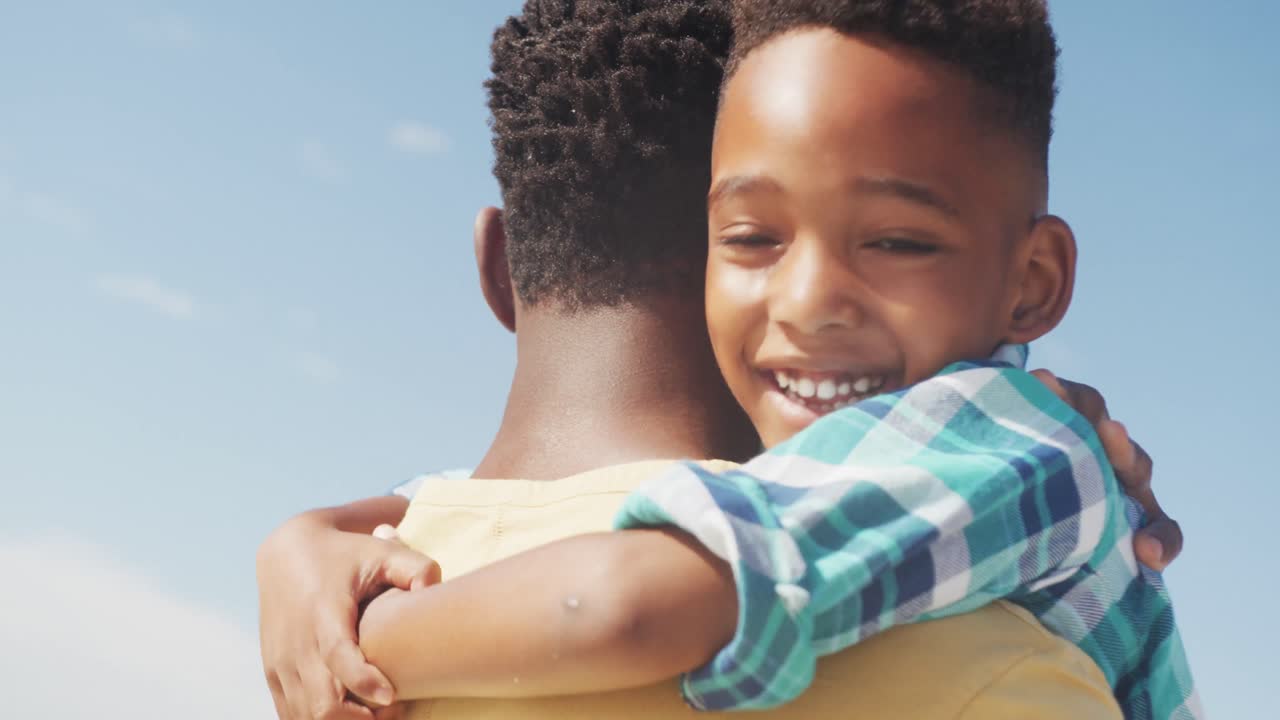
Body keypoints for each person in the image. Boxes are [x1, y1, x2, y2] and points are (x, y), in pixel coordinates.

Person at [256, 2, 1183, 719]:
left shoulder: (1004, 447)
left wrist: (360, 635)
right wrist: (306, 538)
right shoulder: (991, 648)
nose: (809, 300)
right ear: (700, 246)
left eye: (897, 242)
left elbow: (622, 607)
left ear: (502, 268)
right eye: (753, 237)